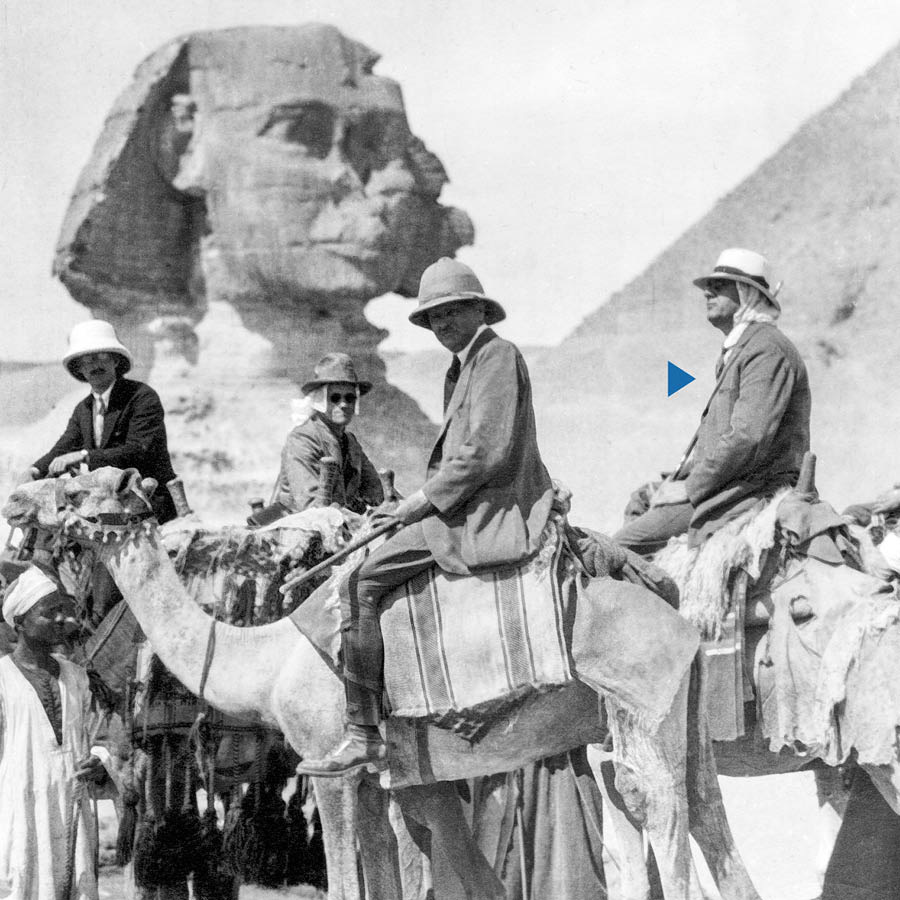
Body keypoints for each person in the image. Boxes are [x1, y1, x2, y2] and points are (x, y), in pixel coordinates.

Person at [298, 258, 554, 775]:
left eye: (453, 313)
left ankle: (363, 732)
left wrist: (421, 501)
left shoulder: (496, 356)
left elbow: (484, 453)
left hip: (487, 512)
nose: (443, 325)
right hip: (463, 504)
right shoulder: (463, 366)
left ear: (480, 310)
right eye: (434, 318)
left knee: (357, 586)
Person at [614, 248, 811, 554]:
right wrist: (679, 478)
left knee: (623, 546)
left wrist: (689, 487)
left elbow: (749, 436)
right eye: (709, 286)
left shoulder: (767, 349)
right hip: (729, 481)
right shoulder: (743, 348)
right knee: (641, 500)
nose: (707, 292)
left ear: (747, 294)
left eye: (720, 286)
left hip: (752, 488)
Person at [0, 566, 112, 900]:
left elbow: (101, 737)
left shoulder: (78, 677)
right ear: (19, 622)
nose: (64, 619)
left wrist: (99, 760)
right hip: (20, 813)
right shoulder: (2, 680)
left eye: (65, 611)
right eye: (50, 613)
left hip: (73, 806)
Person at [26, 319, 178, 524]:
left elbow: (138, 449)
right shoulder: (84, 408)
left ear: (115, 360)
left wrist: (83, 456)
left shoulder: (141, 396)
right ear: (79, 369)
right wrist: (34, 470)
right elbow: (63, 448)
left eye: (100, 356)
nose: (94, 365)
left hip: (150, 505)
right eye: (86, 361)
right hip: (106, 505)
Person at [269, 353, 384, 516]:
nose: (343, 404)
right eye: (335, 398)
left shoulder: (350, 443)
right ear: (320, 400)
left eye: (350, 398)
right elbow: (310, 505)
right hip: (298, 529)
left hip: (339, 524)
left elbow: (377, 492)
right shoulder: (302, 440)